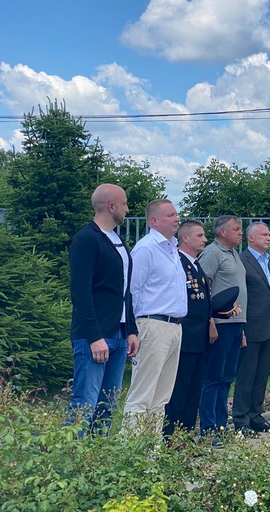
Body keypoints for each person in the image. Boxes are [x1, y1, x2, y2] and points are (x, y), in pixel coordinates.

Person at [67, 184, 139, 434]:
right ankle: (71, 461)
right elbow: (81, 292)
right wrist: (94, 337)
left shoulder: (117, 240)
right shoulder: (86, 239)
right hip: (95, 336)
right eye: (125, 203)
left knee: (107, 404)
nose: (128, 209)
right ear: (111, 206)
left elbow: (125, 290)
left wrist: (131, 329)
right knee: (84, 403)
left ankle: (98, 461)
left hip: (118, 333)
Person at [122, 199, 187, 434]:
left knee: (161, 398)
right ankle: (129, 454)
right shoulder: (147, 248)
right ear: (154, 221)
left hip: (174, 326)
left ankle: (150, 456)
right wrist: (135, 328)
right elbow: (132, 290)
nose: (176, 219)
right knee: (143, 394)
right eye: (170, 215)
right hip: (152, 324)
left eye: (176, 214)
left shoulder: (172, 249)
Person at [163, 220, 215, 437]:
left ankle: (185, 437)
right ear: (185, 238)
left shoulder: (195, 264)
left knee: (193, 391)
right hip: (185, 337)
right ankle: (170, 437)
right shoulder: (178, 262)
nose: (204, 240)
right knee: (179, 390)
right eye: (200, 235)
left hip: (199, 337)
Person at [198, 215, 246, 438]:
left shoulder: (234, 254)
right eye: (236, 229)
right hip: (219, 324)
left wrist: (242, 328)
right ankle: (208, 427)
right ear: (222, 232)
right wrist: (210, 321)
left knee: (227, 376)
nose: (240, 232)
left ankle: (220, 424)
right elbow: (202, 287)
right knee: (214, 376)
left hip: (236, 324)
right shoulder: (212, 253)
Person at [232, 222, 270, 435]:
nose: (268, 238)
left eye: (269, 234)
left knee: (261, 375)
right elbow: (241, 294)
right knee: (246, 374)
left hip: (267, 327)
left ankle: (256, 415)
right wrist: (241, 326)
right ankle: (241, 419)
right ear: (251, 238)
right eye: (263, 234)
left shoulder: (267, 262)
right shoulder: (243, 261)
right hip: (250, 327)